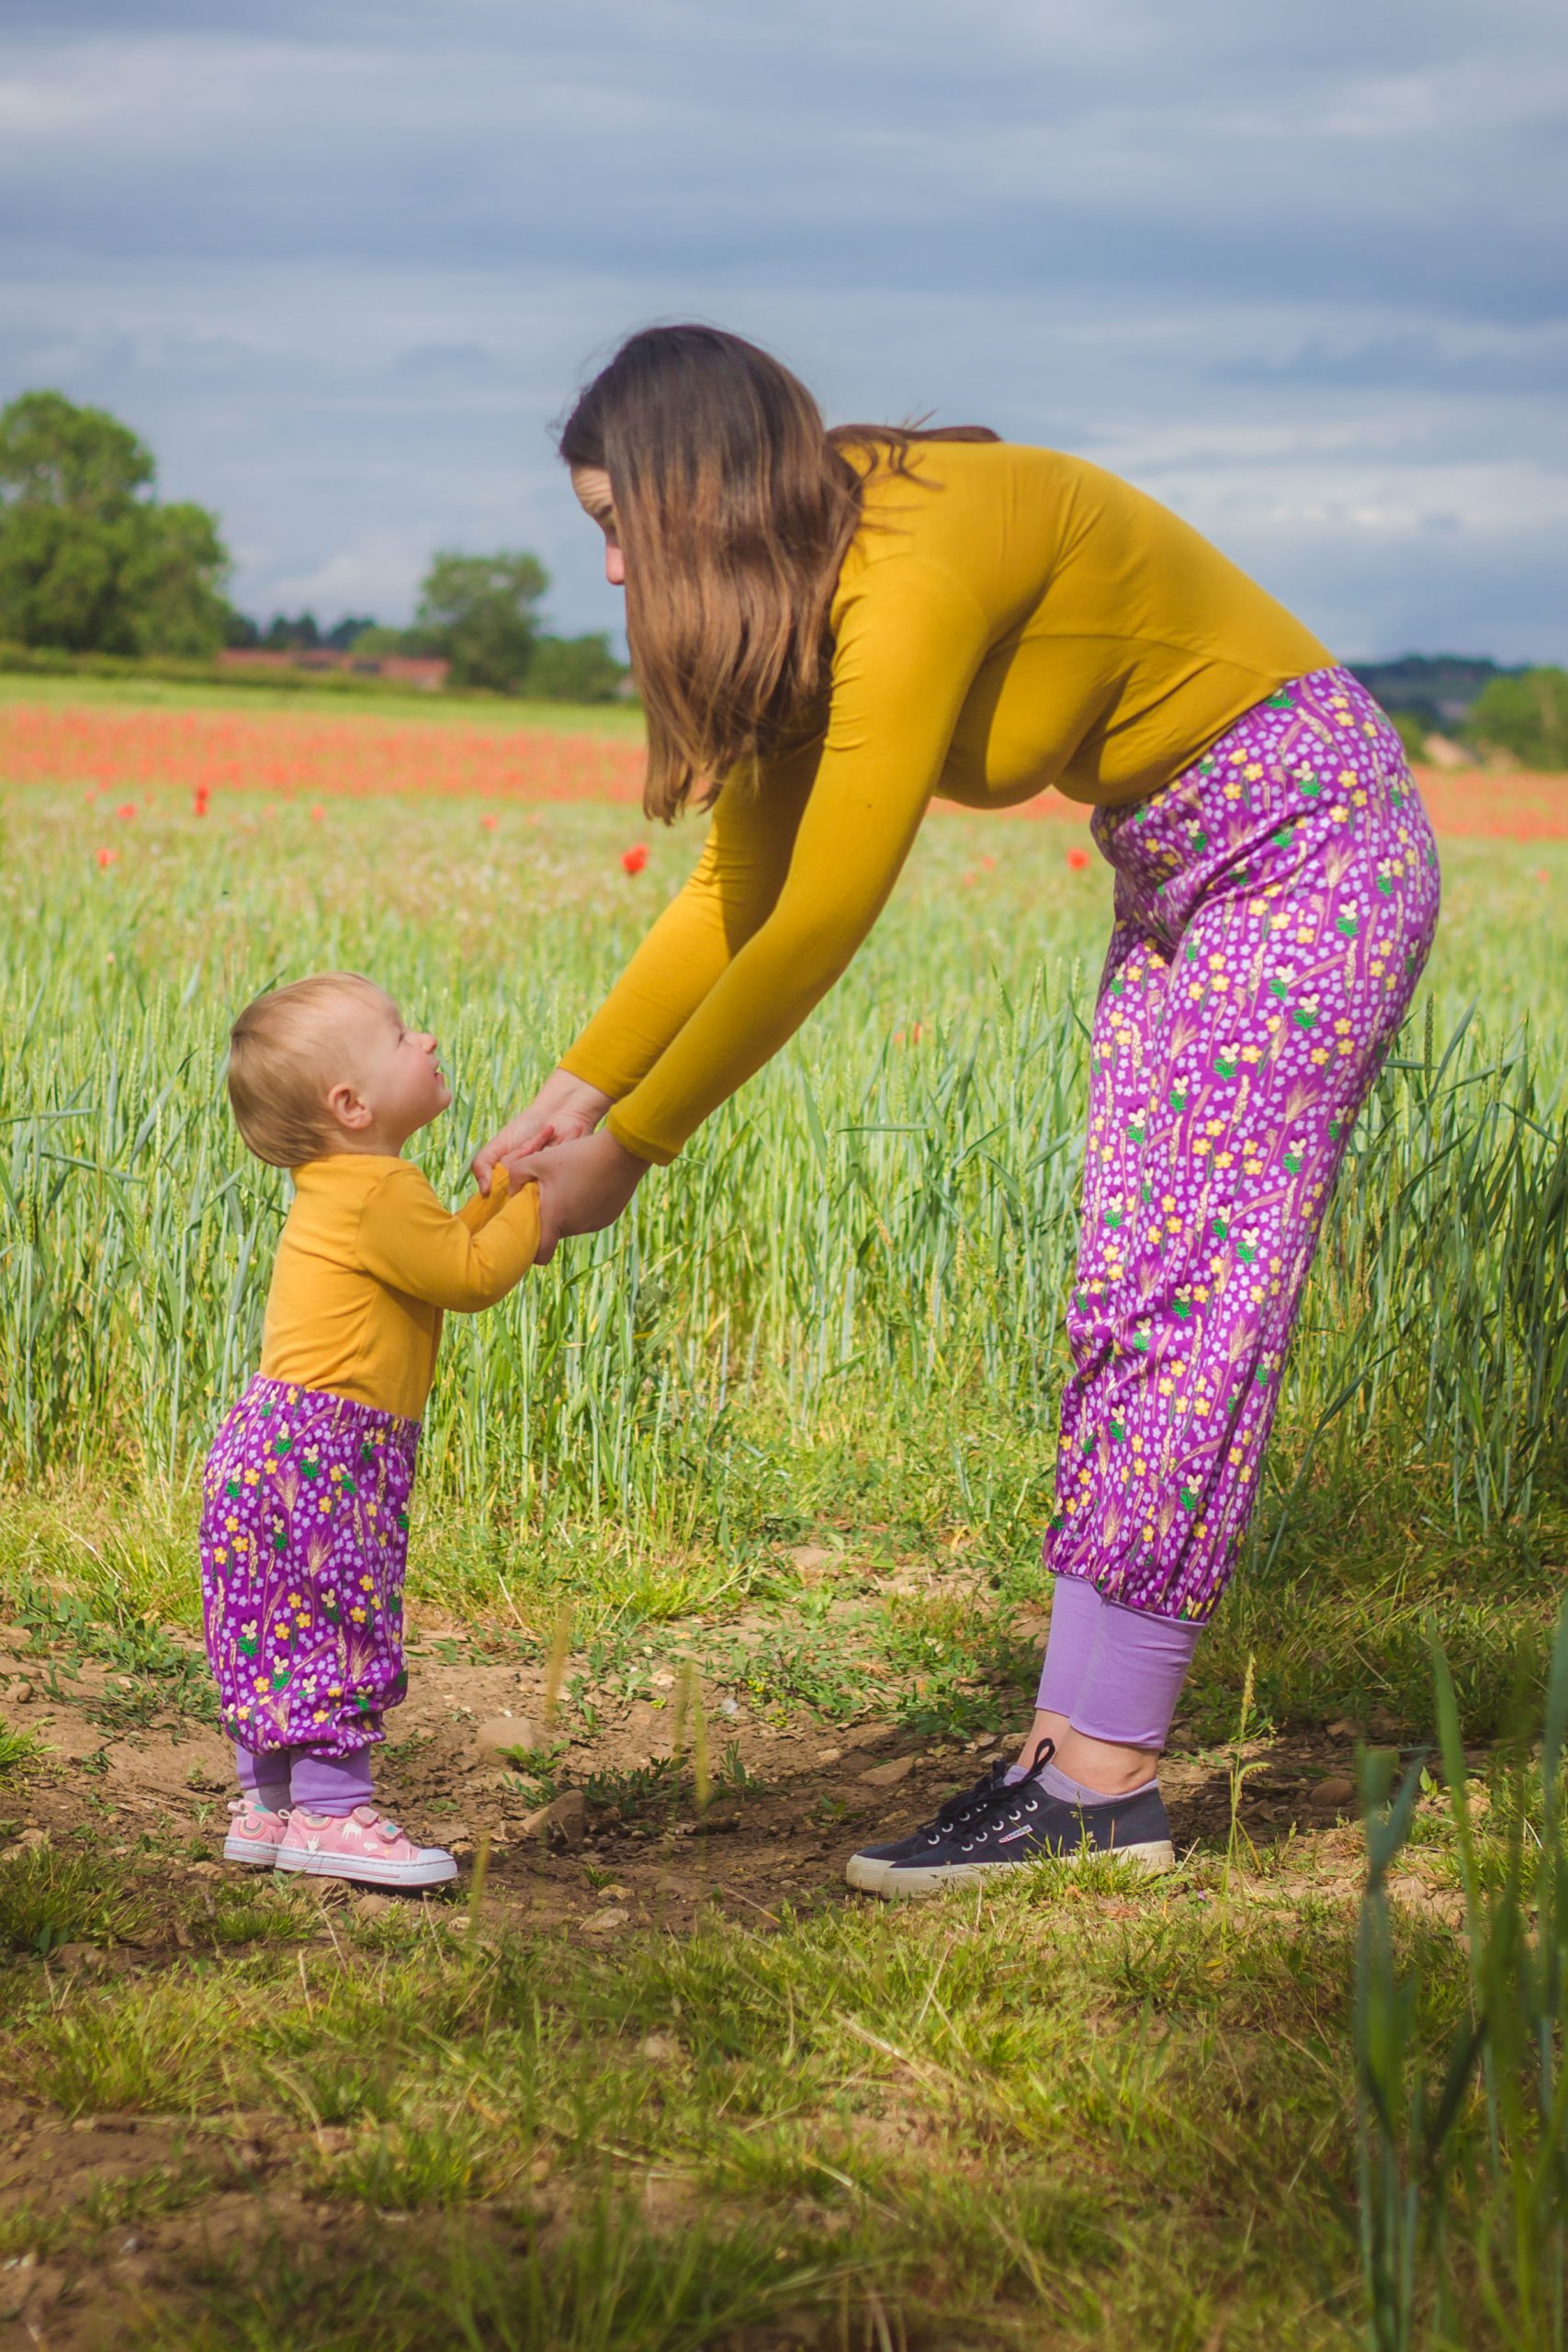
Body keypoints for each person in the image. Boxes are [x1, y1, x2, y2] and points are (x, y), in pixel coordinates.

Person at [475, 324, 1441, 1899]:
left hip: (1307, 851)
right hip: (1189, 874)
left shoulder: (904, 559)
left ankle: (1102, 1782)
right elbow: (738, 880)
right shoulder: (820, 568)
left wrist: (636, 1151)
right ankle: (1070, 1760)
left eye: (613, 526)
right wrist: (569, 1093)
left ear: (697, 496)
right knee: (1130, 1299)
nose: (606, 573)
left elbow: (823, 912)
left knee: (1191, 1301)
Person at [207, 973, 542, 1890]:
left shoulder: (348, 1186)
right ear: (351, 1104)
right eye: (401, 1036)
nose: (427, 1039)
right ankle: (331, 1816)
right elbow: (470, 1278)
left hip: (267, 1438)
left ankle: (269, 1806)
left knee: (276, 1621)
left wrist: (499, 1197)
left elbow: (435, 1260)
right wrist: (540, 1204)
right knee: (340, 1620)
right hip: (330, 1449)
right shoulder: (383, 1186)